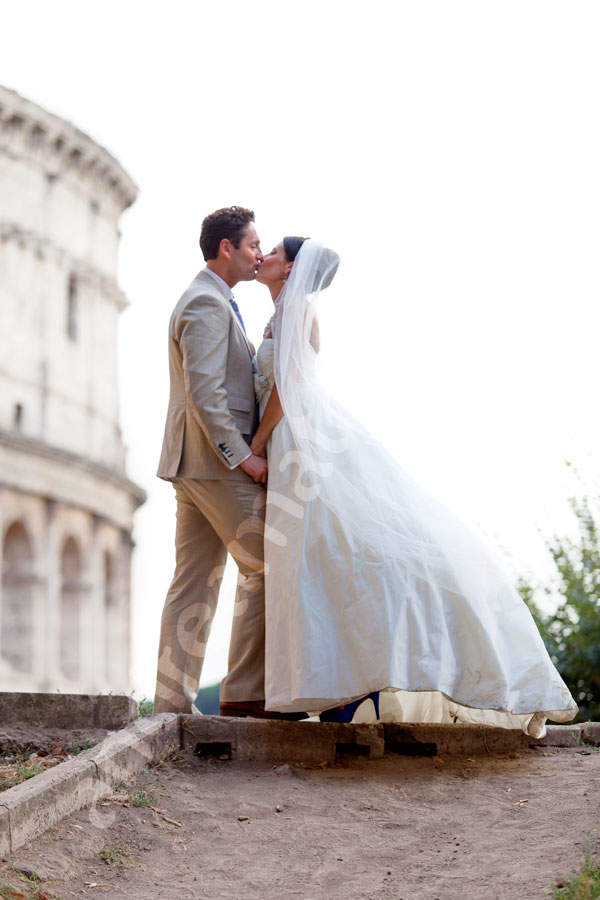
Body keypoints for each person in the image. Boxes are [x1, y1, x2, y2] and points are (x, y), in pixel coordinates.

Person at [251, 236, 578, 738]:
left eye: (272, 251)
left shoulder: (297, 314)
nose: (263, 256)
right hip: (297, 435)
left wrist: (255, 443)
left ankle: (364, 679)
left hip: (303, 437)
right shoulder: (281, 314)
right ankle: (344, 682)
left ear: (291, 267)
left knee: (334, 549)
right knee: (318, 556)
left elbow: (287, 389)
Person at [153, 206, 305, 720]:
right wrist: (245, 458)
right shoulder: (205, 303)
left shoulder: (216, 301)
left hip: (193, 465)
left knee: (193, 581)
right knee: (269, 562)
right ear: (226, 248)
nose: (259, 253)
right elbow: (205, 394)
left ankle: (171, 707)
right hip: (216, 466)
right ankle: (243, 693)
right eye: (252, 244)